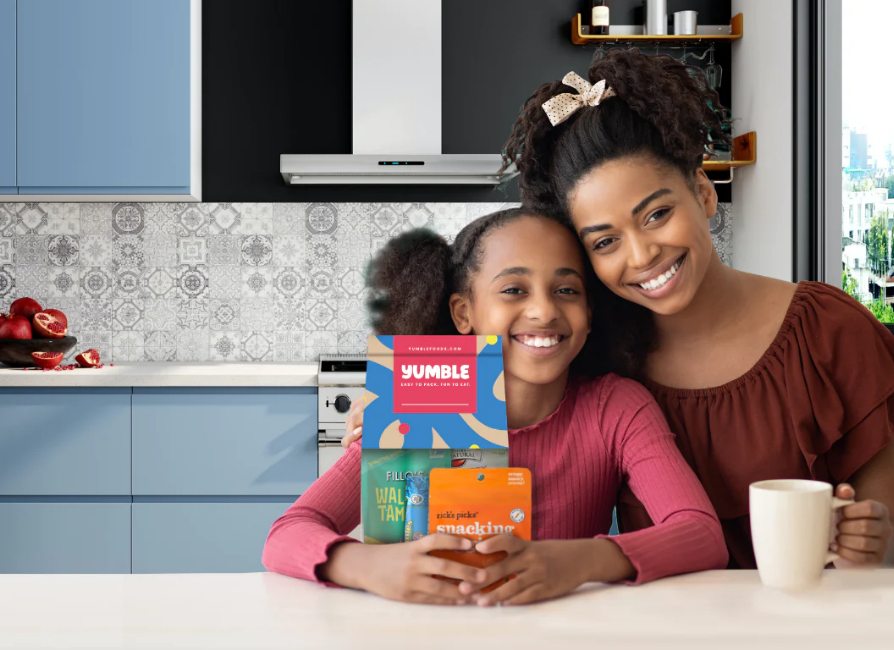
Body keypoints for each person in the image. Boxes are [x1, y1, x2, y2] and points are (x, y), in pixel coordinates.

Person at [496, 48, 894, 567]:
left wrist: (870, 540)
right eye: (605, 242)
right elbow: (500, 419)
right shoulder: (594, 356)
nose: (641, 256)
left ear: (703, 192)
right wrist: (395, 409)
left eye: (657, 214)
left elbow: (879, 538)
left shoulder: (830, 333)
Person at [263, 207, 728, 607]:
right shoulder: (418, 400)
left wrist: (577, 561)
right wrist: (368, 565)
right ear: (464, 313)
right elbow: (287, 534)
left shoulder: (615, 408)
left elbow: (701, 535)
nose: (544, 311)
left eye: (567, 290)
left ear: (590, 313)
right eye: (514, 290)